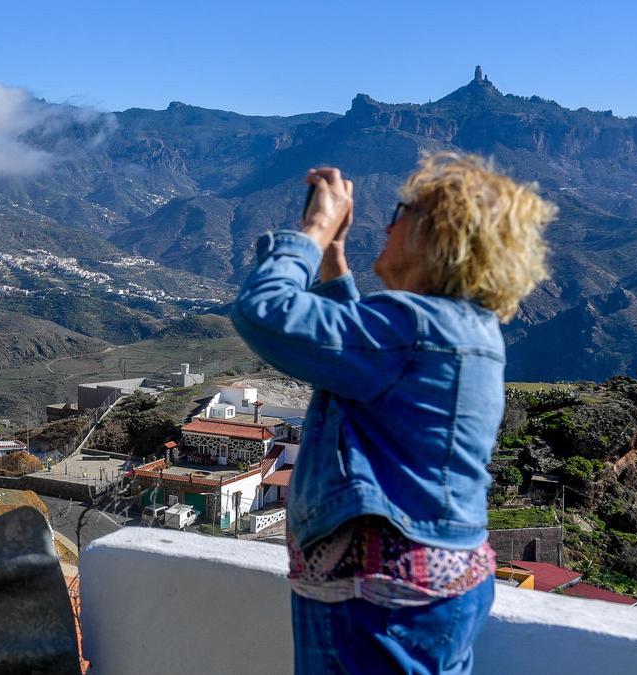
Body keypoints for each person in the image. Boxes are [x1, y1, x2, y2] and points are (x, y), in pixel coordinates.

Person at [231, 153, 554, 674]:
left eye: (402, 211)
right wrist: (335, 260)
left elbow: (263, 312)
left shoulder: (413, 330)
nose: (386, 223)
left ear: (439, 235)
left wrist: (312, 231)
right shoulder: (468, 331)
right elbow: (366, 361)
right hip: (446, 582)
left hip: (379, 600)